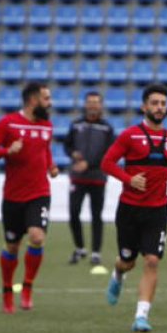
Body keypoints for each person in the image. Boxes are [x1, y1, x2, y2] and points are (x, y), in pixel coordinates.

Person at [100, 84, 167, 332]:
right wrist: (129, 179)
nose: (159, 107)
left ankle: (141, 316)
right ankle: (118, 274)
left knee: (151, 260)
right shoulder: (130, 135)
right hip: (129, 209)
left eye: (163, 103)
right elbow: (107, 163)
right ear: (144, 106)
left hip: (157, 210)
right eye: (155, 103)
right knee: (127, 261)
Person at [0, 82, 59, 314]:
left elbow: (44, 150)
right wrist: (7, 151)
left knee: (37, 237)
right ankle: (7, 290)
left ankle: (27, 288)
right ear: (33, 100)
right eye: (46, 98)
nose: (50, 103)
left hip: (39, 194)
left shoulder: (47, 126)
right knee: (12, 246)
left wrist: (51, 166)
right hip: (14, 197)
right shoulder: (8, 123)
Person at [63, 91, 114, 266]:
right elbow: (67, 146)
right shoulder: (76, 124)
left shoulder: (106, 128)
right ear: (85, 104)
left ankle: (96, 253)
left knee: (96, 215)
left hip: (98, 178)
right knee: (73, 213)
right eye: (90, 102)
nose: (93, 105)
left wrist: (89, 164)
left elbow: (109, 152)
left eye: (96, 102)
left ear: (100, 105)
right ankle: (80, 248)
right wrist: (73, 153)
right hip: (77, 177)